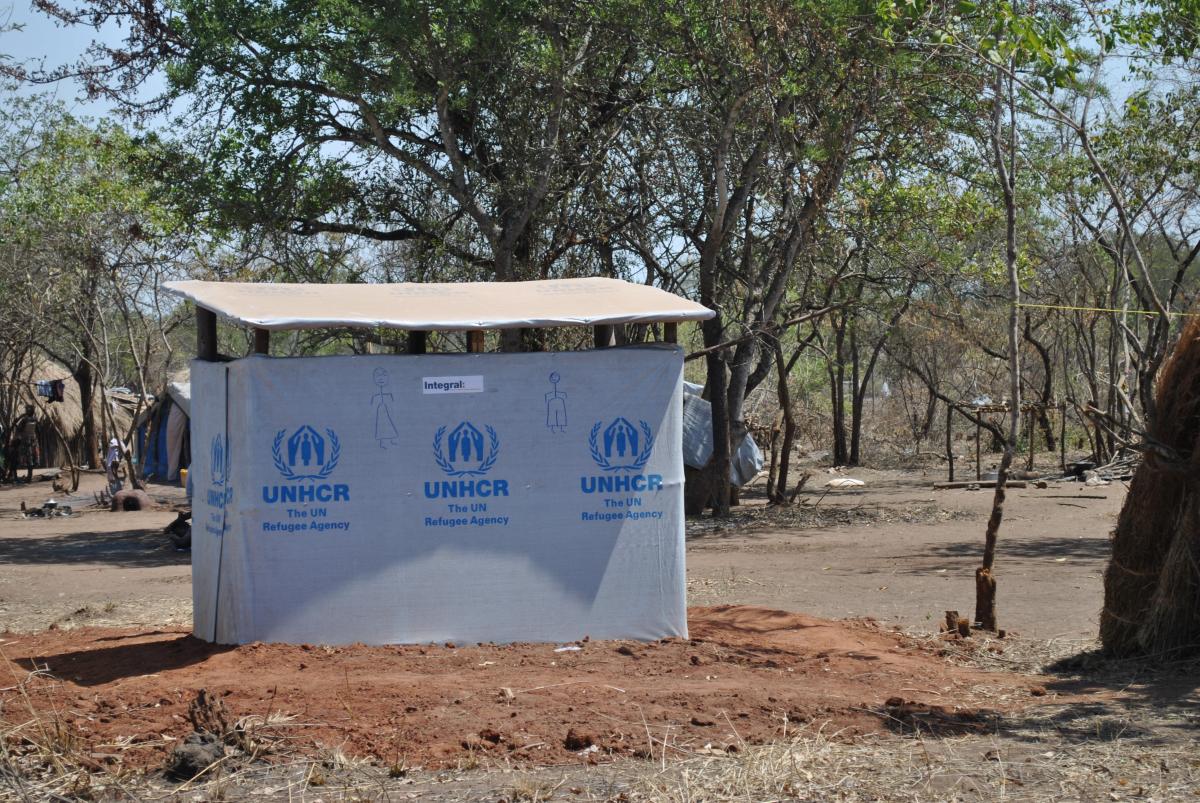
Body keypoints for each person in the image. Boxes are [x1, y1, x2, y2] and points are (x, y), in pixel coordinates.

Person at [10, 404, 39, 483]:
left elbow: (19, 429)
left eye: (27, 409)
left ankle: (27, 477)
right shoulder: (35, 419)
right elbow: (37, 431)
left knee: (25, 458)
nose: (26, 410)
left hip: (26, 441)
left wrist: (15, 424)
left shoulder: (25, 420)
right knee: (31, 459)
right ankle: (29, 477)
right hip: (33, 440)